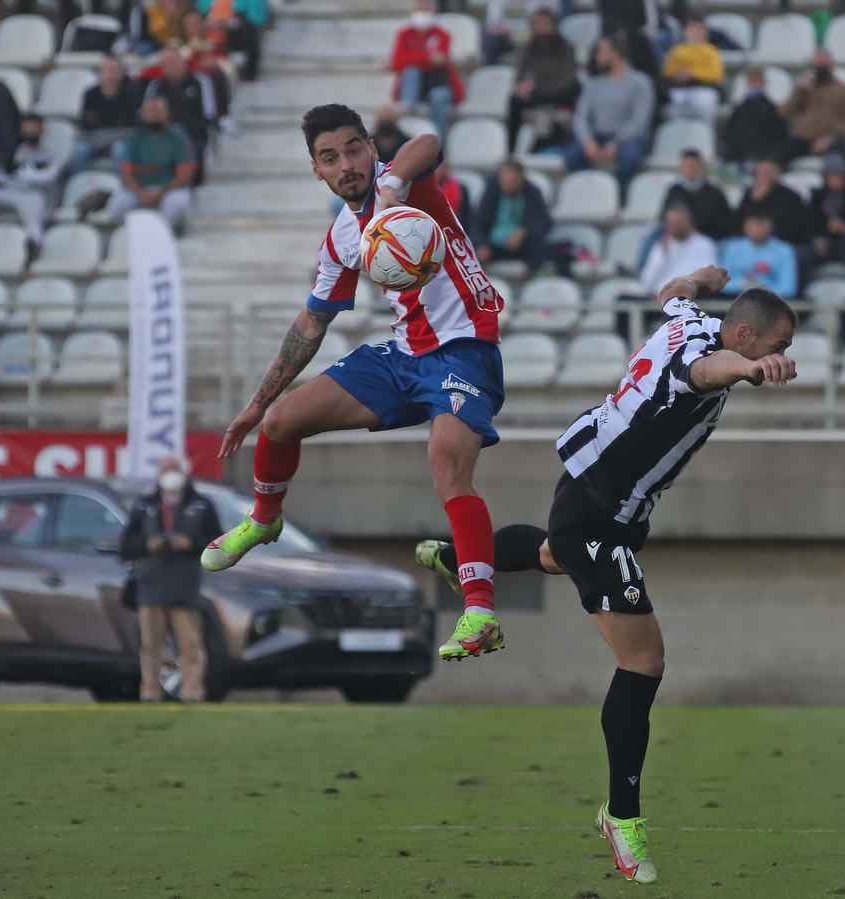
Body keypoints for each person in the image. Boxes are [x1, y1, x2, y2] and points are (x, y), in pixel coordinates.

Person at [414, 270, 798, 886]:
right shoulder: (708, 357)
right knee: (643, 662)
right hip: (600, 510)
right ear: (745, 336)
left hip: (593, 494)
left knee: (549, 555)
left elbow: (671, 293)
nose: (779, 358)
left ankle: (460, 558)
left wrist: (697, 279)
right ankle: (622, 816)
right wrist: (748, 370)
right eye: (774, 348)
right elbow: (703, 374)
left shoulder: (691, 319)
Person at [206, 104, 508, 664]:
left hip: (465, 347)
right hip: (402, 355)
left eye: (353, 149)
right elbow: (311, 324)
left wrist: (393, 184)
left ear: (371, 148)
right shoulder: (343, 235)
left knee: (446, 459)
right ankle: (264, 522)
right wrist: (255, 403)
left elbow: (430, 141)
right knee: (281, 422)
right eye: (329, 157)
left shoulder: (408, 186)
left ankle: (480, 611)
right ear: (316, 171)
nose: (345, 164)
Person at [120, 455, 217, 702]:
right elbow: (127, 543)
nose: (171, 474)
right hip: (151, 585)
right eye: (167, 470)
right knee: (151, 644)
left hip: (185, 586)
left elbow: (218, 541)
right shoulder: (145, 505)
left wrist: (191, 543)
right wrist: (147, 544)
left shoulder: (202, 505)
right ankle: (150, 691)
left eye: (175, 469)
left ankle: (192, 691)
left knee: (190, 644)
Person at [563, 34, 655, 191]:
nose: (596, 56)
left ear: (615, 53)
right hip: (598, 136)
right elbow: (581, 117)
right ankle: (594, 189)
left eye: (601, 51)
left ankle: (616, 192)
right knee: (572, 156)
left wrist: (617, 142)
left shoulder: (640, 82)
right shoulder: (593, 84)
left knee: (630, 158)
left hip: (628, 139)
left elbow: (640, 120)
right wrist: (587, 141)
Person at [0, 115, 65, 247]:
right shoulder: (14, 152)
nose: (29, 132)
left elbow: (48, 177)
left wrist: (25, 172)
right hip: (9, 191)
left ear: (41, 130)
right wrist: (19, 171)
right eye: (26, 129)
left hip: (32, 194)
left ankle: (34, 244)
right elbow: (0, 177)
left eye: (33, 128)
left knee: (35, 206)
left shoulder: (50, 155)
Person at [104, 95, 196, 230]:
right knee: (117, 206)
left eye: (158, 111)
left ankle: (163, 235)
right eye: (150, 112)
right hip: (140, 188)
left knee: (176, 204)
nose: (154, 115)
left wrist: (161, 193)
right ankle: (136, 233)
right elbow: (127, 174)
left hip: (169, 189)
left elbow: (185, 176)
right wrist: (141, 194)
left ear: (167, 113)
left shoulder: (178, 138)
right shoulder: (134, 138)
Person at [506, 9, 579, 153]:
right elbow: (521, 75)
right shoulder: (528, 48)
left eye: (544, 23)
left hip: (559, 93)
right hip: (538, 93)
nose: (541, 27)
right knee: (514, 100)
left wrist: (542, 90)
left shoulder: (566, 47)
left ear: (554, 25)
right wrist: (521, 86)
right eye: (537, 24)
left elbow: (568, 79)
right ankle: (511, 150)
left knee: (575, 90)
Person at [390, 1, 463, 139]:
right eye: (419, 11)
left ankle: (438, 143)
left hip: (436, 82)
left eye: (426, 11)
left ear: (434, 14)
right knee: (412, 71)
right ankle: (408, 113)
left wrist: (413, 58)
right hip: (414, 84)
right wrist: (427, 56)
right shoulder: (405, 34)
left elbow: (440, 60)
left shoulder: (442, 35)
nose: (422, 15)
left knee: (439, 97)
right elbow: (398, 61)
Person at [143, 48, 216, 181]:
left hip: (194, 135)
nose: (171, 66)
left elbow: (209, 115)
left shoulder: (200, 81)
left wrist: (182, 129)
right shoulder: (155, 86)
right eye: (166, 63)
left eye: (173, 61)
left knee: (189, 147)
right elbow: (148, 115)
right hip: (163, 135)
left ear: (183, 61)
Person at [779, 49, 845, 162]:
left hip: (832, 140)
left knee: (836, 165)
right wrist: (801, 90)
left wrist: (832, 137)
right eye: (816, 66)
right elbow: (784, 112)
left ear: (831, 66)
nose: (820, 70)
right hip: (803, 140)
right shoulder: (804, 89)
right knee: (772, 160)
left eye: (824, 66)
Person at [472, 159, 552, 272]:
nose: (508, 185)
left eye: (512, 181)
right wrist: (482, 244)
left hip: (521, 246)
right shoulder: (491, 193)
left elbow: (544, 222)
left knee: (539, 245)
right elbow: (478, 223)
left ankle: (534, 279)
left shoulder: (533, 193)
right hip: (493, 245)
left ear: (521, 179)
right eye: (504, 180)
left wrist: (523, 232)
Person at [72, 55, 143, 174]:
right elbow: (85, 126)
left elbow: (133, 128)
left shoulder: (132, 95)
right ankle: (80, 186)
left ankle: (121, 188)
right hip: (95, 141)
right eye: (108, 69)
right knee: (79, 151)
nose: (111, 73)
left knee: (119, 150)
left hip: (120, 141)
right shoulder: (90, 94)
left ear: (122, 73)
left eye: (115, 69)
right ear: (100, 72)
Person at [638, 202, 718, 295]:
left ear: (688, 222)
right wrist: (662, 255)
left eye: (678, 222)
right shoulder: (662, 245)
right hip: (658, 300)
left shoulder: (704, 244)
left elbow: (706, 280)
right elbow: (646, 283)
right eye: (671, 223)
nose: (674, 227)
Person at [721, 67, 788, 170]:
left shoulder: (772, 110)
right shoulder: (739, 110)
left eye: (757, 81)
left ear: (764, 83)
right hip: (739, 157)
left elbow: (779, 137)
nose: (755, 85)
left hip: (763, 157)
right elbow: (729, 135)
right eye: (752, 82)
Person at [731, 158, 809, 246]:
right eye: (760, 172)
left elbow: (795, 228)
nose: (763, 175)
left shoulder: (791, 197)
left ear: (777, 173)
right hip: (750, 243)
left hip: (783, 244)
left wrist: (765, 231)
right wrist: (756, 200)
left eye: (767, 172)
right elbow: (738, 222)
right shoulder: (749, 194)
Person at [660, 17, 724, 125]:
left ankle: (705, 135)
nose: (697, 32)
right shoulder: (678, 50)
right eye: (693, 28)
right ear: (686, 31)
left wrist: (693, 73)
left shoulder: (711, 51)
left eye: (700, 29)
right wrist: (679, 73)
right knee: (673, 101)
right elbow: (667, 71)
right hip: (679, 88)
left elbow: (716, 74)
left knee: (704, 101)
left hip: (703, 88)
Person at [720, 213, 797, 299]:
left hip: (771, 303)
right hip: (735, 301)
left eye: (760, 223)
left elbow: (788, 289)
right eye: (752, 223)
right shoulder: (733, 248)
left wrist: (760, 286)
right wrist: (742, 283)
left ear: (770, 226)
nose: (756, 228)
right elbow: (722, 284)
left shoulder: (784, 251)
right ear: (745, 226)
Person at [663, 150, 730, 240]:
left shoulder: (715, 194)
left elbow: (726, 225)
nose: (689, 170)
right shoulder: (674, 191)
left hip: (709, 238)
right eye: (686, 167)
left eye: (693, 166)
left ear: (702, 168)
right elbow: (664, 217)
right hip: (679, 236)